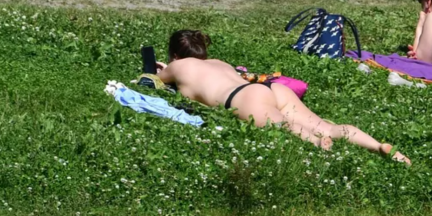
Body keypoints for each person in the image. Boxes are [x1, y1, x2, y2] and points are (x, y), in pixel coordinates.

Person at [155, 29, 410, 164]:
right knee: (326, 127)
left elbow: (156, 80)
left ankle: (318, 146)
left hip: (242, 98)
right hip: (272, 89)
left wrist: (161, 70)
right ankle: (381, 147)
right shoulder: (219, 62)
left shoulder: (178, 66)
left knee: (287, 127)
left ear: (175, 55)